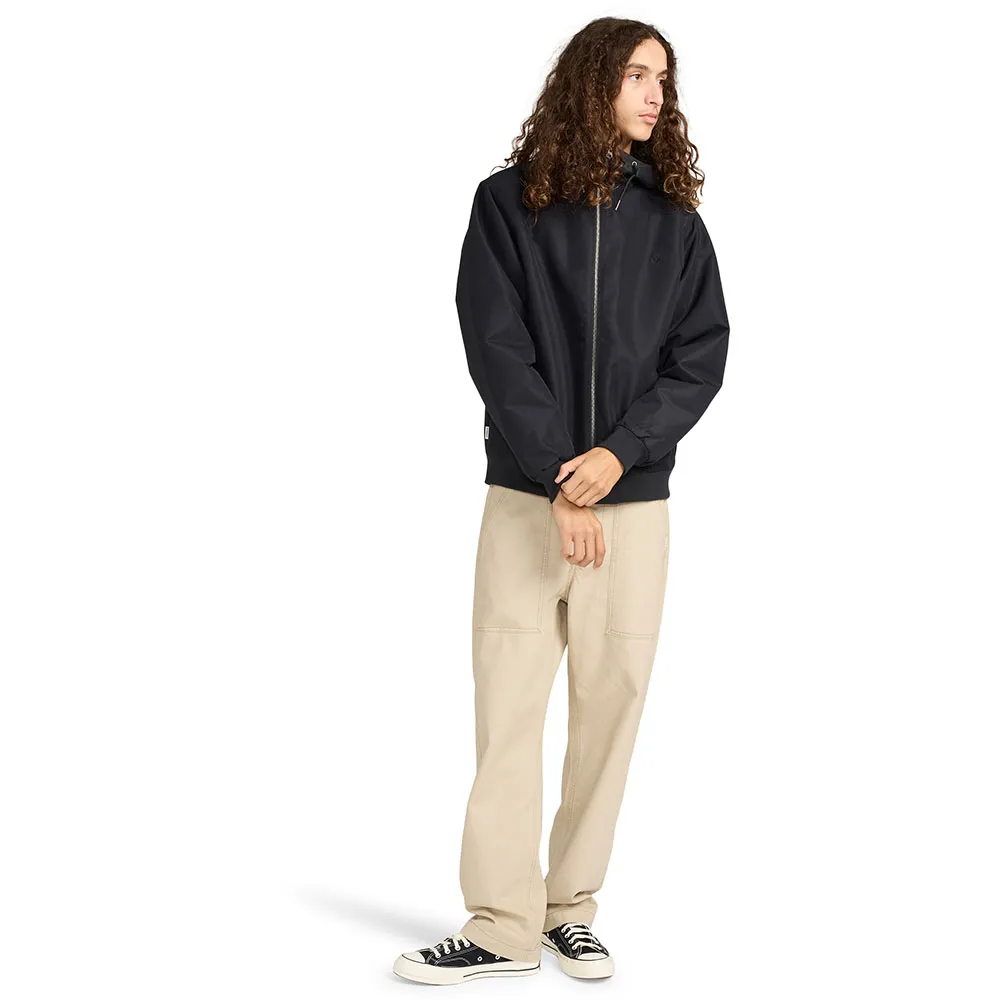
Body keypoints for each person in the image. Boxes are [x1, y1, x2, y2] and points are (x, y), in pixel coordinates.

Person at [393, 16, 729, 986]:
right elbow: (495, 345)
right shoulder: (505, 204)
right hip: (524, 503)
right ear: (592, 83)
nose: (655, 94)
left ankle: (568, 909)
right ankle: (501, 923)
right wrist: (558, 477)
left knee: (608, 712)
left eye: (663, 78)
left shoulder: (676, 221)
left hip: (632, 507)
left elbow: (700, 355)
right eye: (636, 75)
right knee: (507, 711)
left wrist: (616, 458)